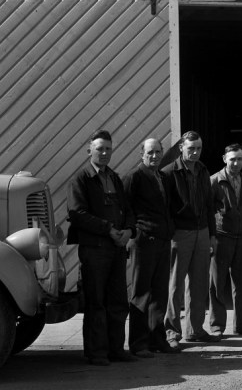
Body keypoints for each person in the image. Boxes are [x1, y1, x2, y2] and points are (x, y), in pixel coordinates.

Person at [67, 129, 136, 365]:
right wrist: (107, 228)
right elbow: (77, 214)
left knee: (117, 301)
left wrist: (128, 230)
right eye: (100, 149)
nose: (105, 153)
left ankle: (116, 349)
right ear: (89, 151)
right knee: (96, 302)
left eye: (108, 149)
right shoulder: (81, 179)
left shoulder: (114, 177)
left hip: (116, 249)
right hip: (95, 249)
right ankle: (97, 353)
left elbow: (127, 209)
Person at [122, 138, 180, 357]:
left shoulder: (162, 177)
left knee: (160, 294)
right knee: (141, 294)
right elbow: (126, 208)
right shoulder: (133, 178)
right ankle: (138, 344)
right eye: (150, 152)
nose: (154, 156)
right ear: (142, 154)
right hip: (144, 243)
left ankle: (158, 340)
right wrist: (136, 230)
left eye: (158, 152)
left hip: (163, 241)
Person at [164, 131, 219, 346]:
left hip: (202, 232)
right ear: (181, 148)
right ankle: (172, 332)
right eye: (191, 148)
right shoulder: (169, 173)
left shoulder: (203, 171)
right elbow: (166, 209)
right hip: (180, 234)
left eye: (198, 148)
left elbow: (208, 206)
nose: (195, 152)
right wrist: (172, 233)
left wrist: (212, 235)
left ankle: (195, 329)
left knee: (199, 283)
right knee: (175, 285)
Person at [208, 143, 242, 337]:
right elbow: (207, 210)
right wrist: (211, 236)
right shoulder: (214, 181)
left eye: (239, 159)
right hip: (221, 237)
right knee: (217, 284)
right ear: (224, 159)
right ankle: (217, 326)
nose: (236, 163)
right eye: (232, 159)